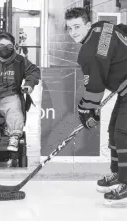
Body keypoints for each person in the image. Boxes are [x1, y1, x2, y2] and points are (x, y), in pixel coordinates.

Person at [65, 7, 127, 206]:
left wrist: (85, 109)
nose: (73, 32)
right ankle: (118, 173)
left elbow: (95, 86)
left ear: (88, 25)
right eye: (69, 28)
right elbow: (122, 29)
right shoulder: (103, 26)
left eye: (77, 26)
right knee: (113, 131)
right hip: (124, 90)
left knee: (123, 134)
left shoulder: (88, 52)